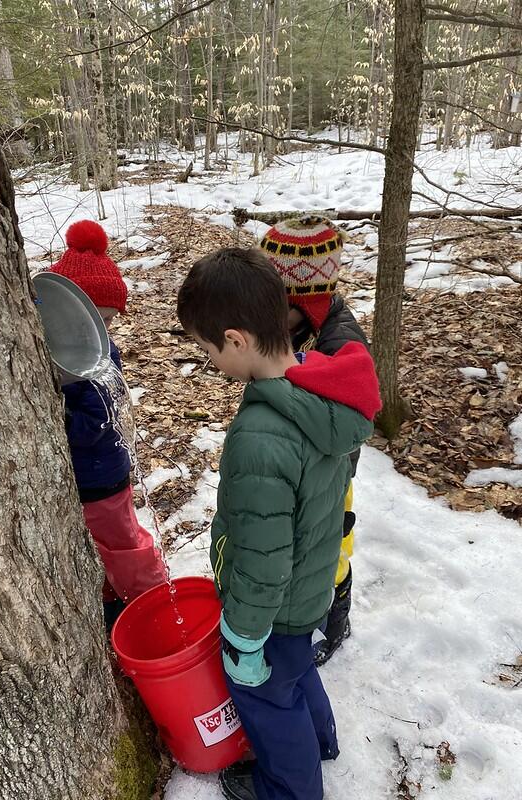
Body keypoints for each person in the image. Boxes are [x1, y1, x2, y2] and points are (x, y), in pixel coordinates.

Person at [177, 247, 381, 800]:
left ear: (237, 339)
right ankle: (320, 742)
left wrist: (244, 638)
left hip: (275, 608)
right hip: (311, 587)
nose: (208, 359)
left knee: (269, 697)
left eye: (206, 347)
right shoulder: (321, 388)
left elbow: (265, 556)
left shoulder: (261, 436)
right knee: (296, 675)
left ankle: (288, 787)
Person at [260, 215, 369, 665]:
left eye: (273, 306)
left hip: (332, 468)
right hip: (302, 464)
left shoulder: (341, 346)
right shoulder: (302, 327)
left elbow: (344, 425)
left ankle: (337, 617)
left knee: (333, 545)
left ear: (306, 300)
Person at [52, 220, 167, 630]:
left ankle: (151, 599)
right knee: (95, 546)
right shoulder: (56, 354)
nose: (101, 332)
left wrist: (58, 414)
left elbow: (95, 422)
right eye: (93, 321)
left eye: (108, 322)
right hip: (84, 479)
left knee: (123, 544)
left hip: (103, 478)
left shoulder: (100, 361)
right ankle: (109, 598)